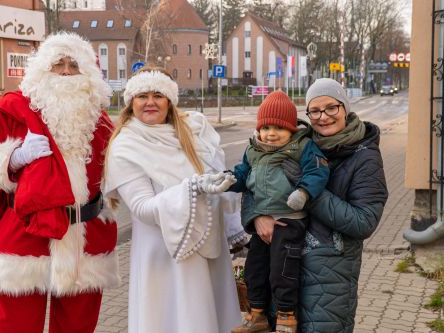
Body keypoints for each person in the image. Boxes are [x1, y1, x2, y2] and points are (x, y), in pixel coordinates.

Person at [0, 32, 120, 333]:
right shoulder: (13, 108)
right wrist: (15, 156)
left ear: (88, 72)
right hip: (26, 232)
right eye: (57, 65)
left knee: (78, 326)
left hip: (86, 235)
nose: (65, 72)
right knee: (17, 326)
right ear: (42, 70)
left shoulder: (101, 120)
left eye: (73, 65)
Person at [103, 66, 243, 333]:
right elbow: (143, 208)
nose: (150, 102)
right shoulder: (125, 145)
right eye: (142, 95)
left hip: (208, 248)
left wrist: (233, 222)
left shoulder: (193, 132)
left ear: (170, 100)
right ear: (131, 102)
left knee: (211, 316)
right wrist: (193, 188)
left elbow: (219, 184)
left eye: (158, 95)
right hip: (164, 255)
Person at [245, 78, 388, 332]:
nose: (323, 117)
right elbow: (252, 181)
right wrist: (257, 217)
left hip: (328, 278)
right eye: (315, 110)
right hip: (279, 267)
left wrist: (309, 192)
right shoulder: (294, 143)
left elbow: (364, 221)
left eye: (331, 108)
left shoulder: (364, 157)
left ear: (344, 107)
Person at [227, 91, 330, 333]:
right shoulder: (254, 149)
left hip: (289, 220)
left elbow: (318, 172)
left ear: (292, 129)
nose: (270, 134)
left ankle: (286, 316)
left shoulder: (302, 146)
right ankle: (258, 314)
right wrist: (229, 180)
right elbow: (243, 173)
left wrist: (303, 193)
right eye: (265, 128)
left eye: (278, 129)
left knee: (283, 271)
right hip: (261, 219)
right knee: (255, 269)